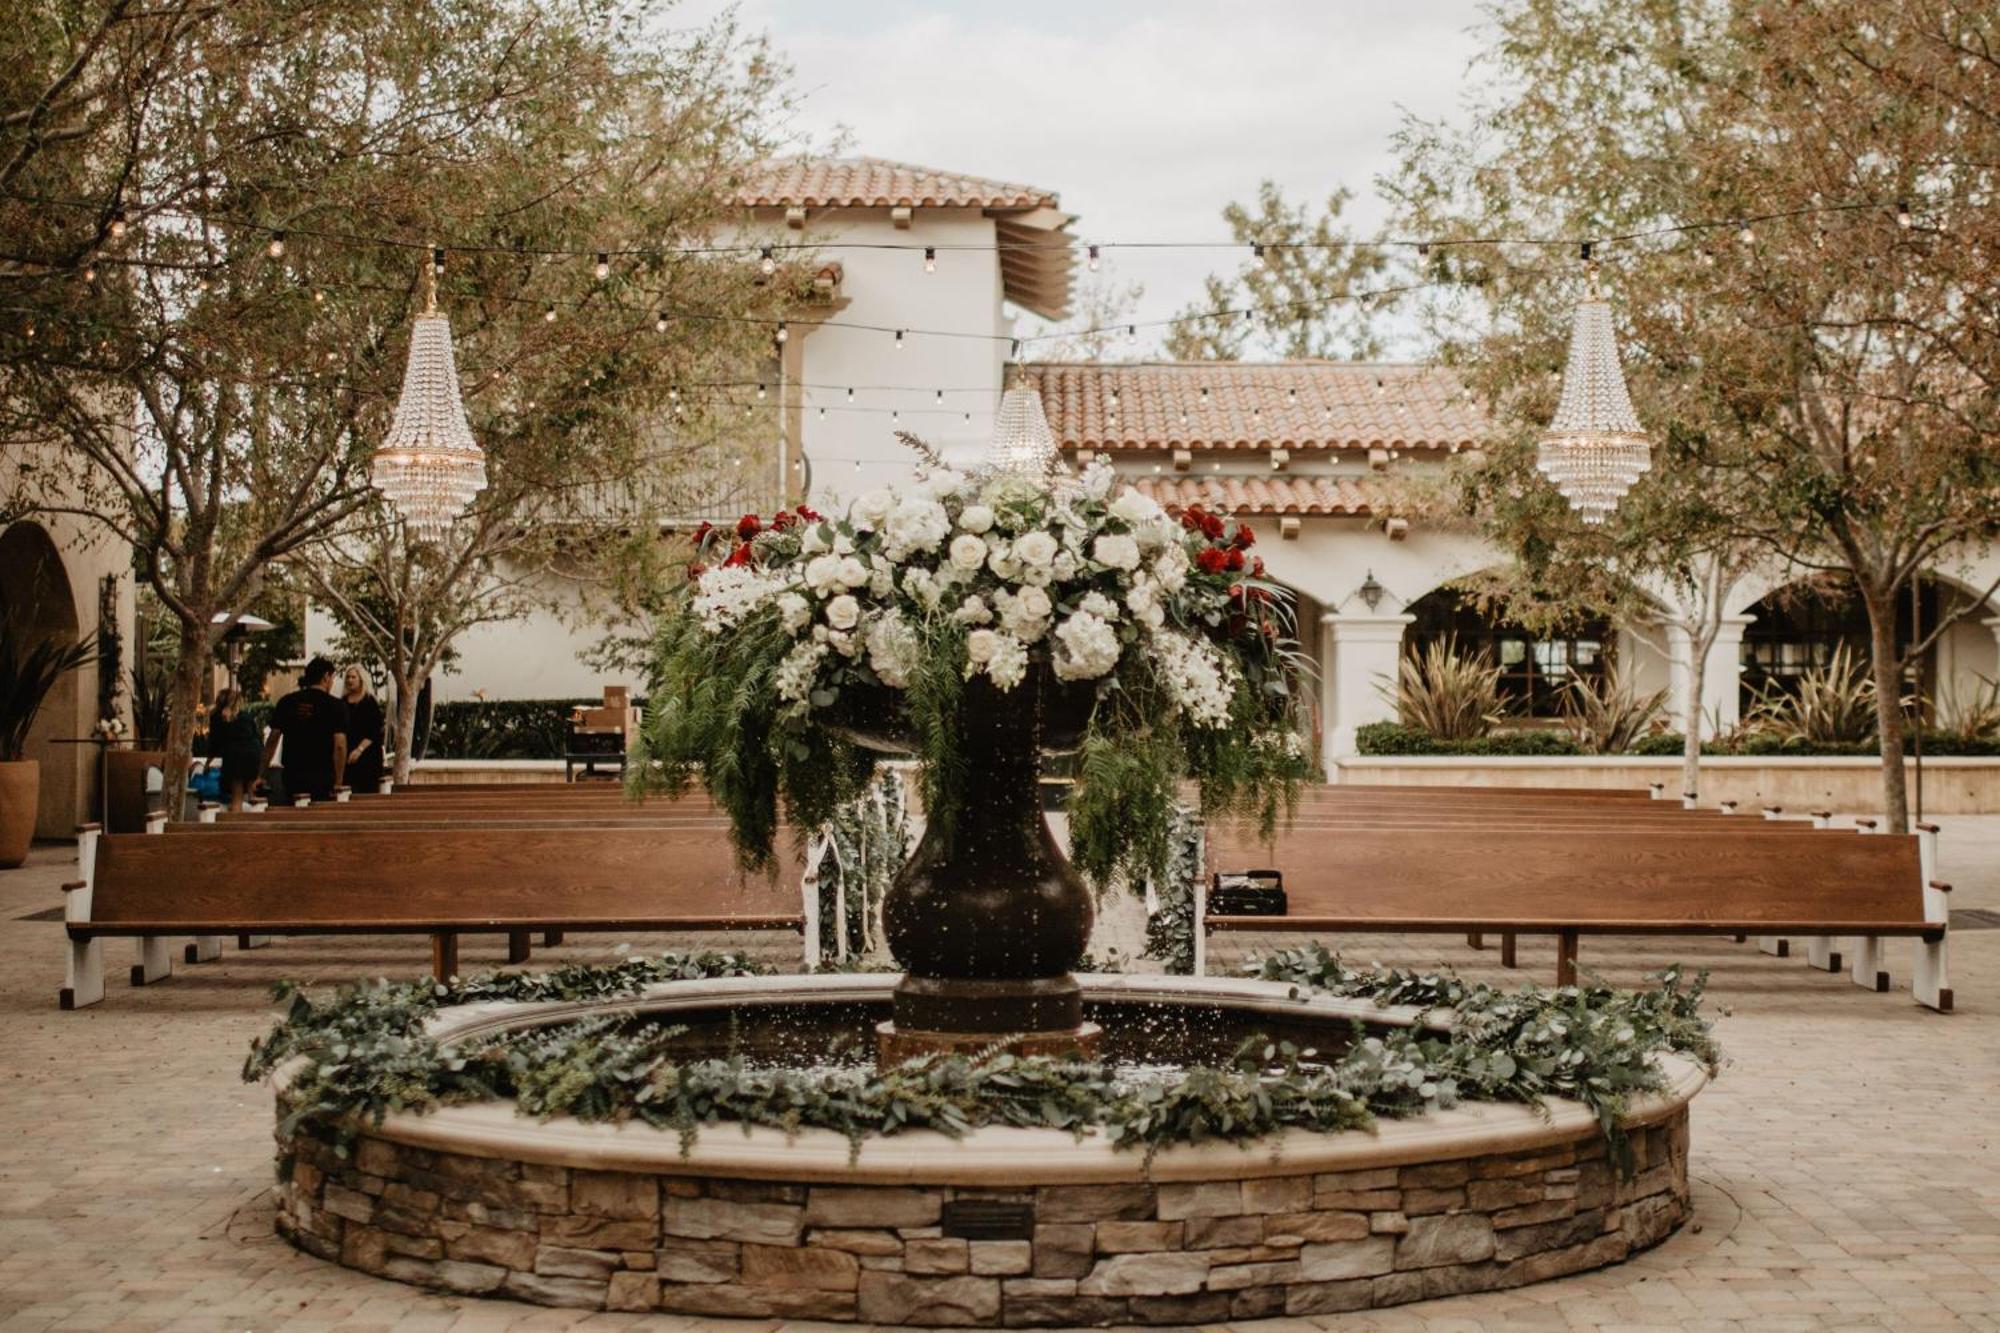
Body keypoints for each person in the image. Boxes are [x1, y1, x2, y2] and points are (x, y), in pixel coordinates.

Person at [263, 657, 348, 803]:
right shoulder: (336, 706)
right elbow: (340, 745)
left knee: (294, 814)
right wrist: (338, 781)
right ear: (326, 677)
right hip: (323, 774)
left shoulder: (287, 702)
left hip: (293, 772)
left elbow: (273, 739)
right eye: (332, 678)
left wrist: (262, 773)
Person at [208, 688, 266, 811]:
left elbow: (215, 743)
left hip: (234, 755)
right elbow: (257, 737)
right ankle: (255, 813)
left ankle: (235, 823)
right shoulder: (246, 716)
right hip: (253, 753)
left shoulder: (217, 717)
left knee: (236, 796)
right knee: (252, 793)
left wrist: (207, 763)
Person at [340, 665, 385, 795]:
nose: (350, 680)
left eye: (353, 677)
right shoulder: (342, 702)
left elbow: (375, 730)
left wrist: (359, 750)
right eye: (348, 677)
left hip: (368, 756)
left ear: (361, 679)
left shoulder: (369, 701)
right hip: (347, 757)